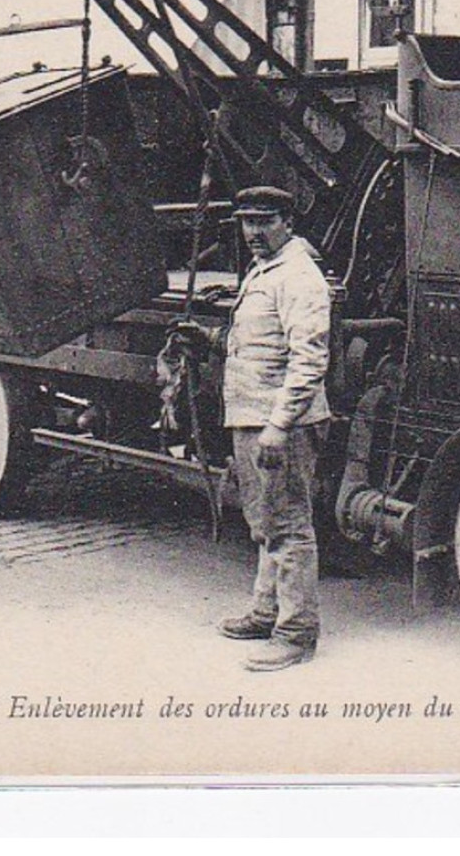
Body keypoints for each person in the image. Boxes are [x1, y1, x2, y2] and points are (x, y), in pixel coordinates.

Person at [173, 185, 332, 672]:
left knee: (288, 527)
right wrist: (209, 338)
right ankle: (266, 612)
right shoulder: (264, 270)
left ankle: (296, 633)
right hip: (253, 417)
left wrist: (279, 428)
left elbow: (309, 359)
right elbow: (258, 344)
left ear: (288, 221)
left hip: (277, 423)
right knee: (264, 522)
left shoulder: (300, 277)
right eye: (246, 222)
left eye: (264, 221)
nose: (254, 233)